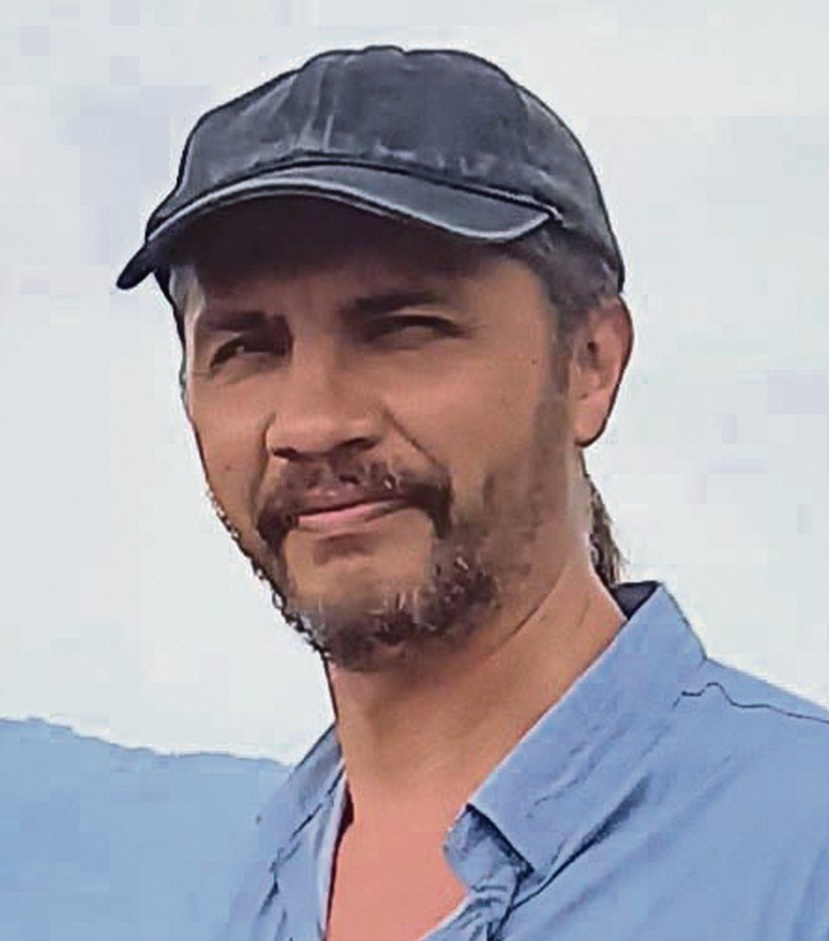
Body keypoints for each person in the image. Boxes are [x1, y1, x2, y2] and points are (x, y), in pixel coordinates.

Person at [117, 46, 829, 941]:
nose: (312, 421)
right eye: (246, 348)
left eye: (403, 329)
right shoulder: (254, 884)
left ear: (589, 363)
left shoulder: (798, 854)